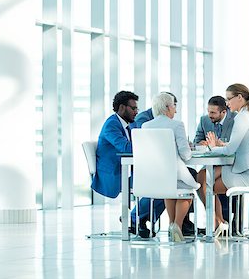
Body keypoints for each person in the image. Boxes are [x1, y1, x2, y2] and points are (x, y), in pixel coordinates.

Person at [91, 91, 164, 238]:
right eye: (133, 108)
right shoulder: (111, 124)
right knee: (159, 183)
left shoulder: (128, 125)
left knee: (165, 182)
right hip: (114, 173)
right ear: (122, 108)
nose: (137, 112)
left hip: (128, 170)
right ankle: (136, 217)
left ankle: (139, 219)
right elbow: (126, 148)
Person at [202, 83, 249, 238]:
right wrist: (222, 145)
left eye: (229, 99)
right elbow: (238, 145)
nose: (227, 103)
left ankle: (218, 223)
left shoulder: (243, 118)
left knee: (204, 183)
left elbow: (231, 150)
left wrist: (212, 147)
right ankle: (220, 223)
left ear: (239, 97)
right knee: (202, 178)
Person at [133, 92, 198, 236]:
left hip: (154, 175)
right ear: (168, 107)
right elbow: (186, 155)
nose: (175, 110)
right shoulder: (177, 125)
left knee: (169, 189)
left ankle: (170, 224)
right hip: (174, 173)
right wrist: (189, 148)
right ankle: (178, 226)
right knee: (187, 191)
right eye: (174, 106)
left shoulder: (145, 126)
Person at [194, 96, 236, 222]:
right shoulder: (204, 120)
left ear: (224, 112)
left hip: (231, 163)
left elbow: (235, 144)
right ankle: (218, 220)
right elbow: (196, 142)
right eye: (208, 111)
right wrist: (201, 143)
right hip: (212, 163)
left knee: (205, 180)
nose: (209, 115)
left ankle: (217, 220)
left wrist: (218, 145)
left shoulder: (235, 120)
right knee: (201, 179)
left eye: (213, 112)